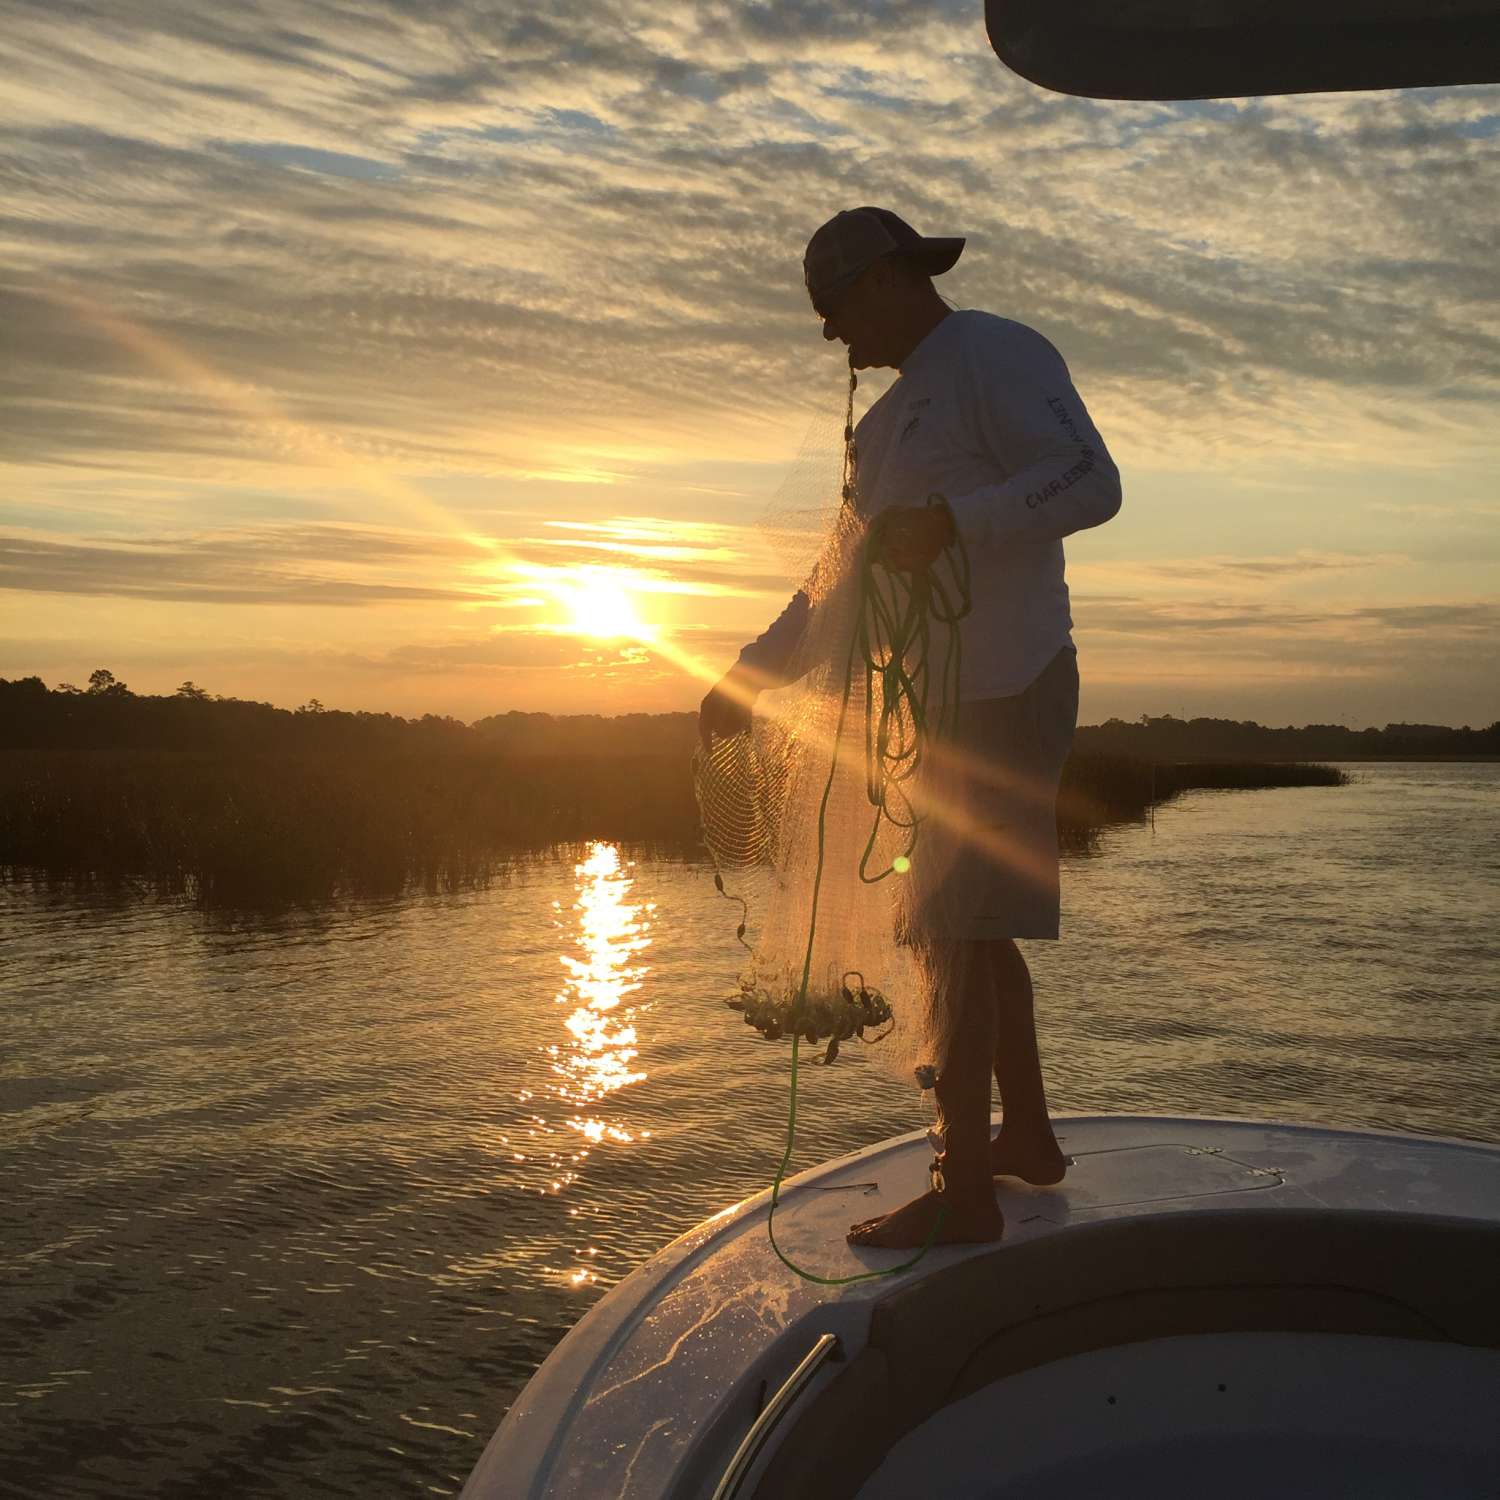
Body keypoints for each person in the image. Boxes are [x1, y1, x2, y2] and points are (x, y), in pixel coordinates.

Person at [699, 207, 1122, 1248]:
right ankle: (1022, 1137)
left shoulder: (994, 353)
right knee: (965, 928)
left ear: (886, 279)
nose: (834, 339)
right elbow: (841, 576)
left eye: (833, 311)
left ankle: (964, 1187)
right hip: (928, 706)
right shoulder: (886, 429)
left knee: (953, 928)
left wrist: (955, 524)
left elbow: (1091, 483)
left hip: (1006, 683)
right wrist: (750, 675)